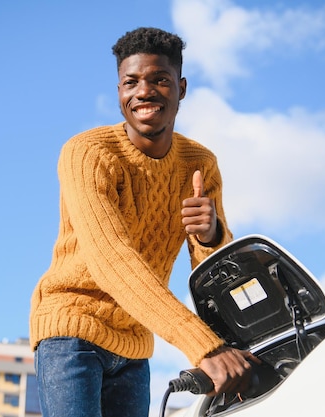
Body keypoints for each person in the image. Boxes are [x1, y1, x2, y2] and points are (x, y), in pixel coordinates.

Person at [29, 27, 257, 417]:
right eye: (130, 82)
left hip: (135, 342)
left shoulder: (200, 164)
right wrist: (205, 346)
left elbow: (212, 276)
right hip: (71, 331)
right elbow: (111, 260)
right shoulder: (87, 153)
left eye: (160, 80)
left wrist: (210, 234)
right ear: (119, 91)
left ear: (181, 89)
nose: (144, 91)